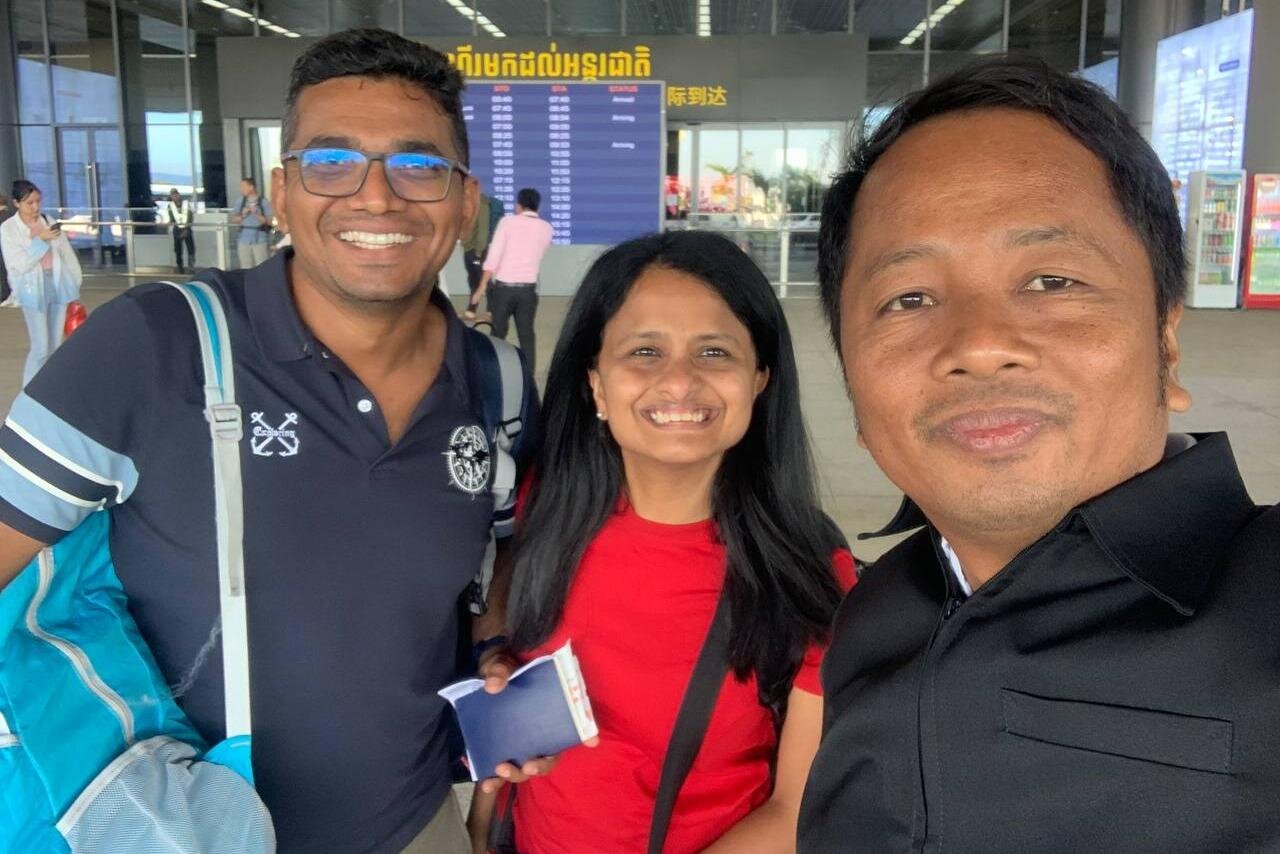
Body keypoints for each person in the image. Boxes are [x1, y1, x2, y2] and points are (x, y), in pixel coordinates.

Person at [0, 29, 539, 854]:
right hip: (185, 833)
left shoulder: (497, 381)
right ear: (282, 194)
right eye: (332, 162)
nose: (377, 197)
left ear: (466, 202)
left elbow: (498, 559)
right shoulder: (154, 346)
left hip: (417, 824)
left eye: (418, 165)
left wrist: (496, 645)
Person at [797, 56, 1280, 852]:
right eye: (909, 298)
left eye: (1052, 281)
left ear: (1166, 339)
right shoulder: (873, 614)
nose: (980, 344)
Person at [473, 230, 856, 853]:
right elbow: (505, 661)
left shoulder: (808, 569)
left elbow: (795, 811)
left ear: (759, 378)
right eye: (645, 351)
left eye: (714, 352)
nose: (679, 382)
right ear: (596, 383)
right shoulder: (540, 508)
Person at [0, 179, 81, 384]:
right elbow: (19, 264)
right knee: (41, 347)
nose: (35, 207)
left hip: (58, 284)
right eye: (30, 203)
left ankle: (48, 387)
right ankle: (29, 390)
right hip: (31, 290)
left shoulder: (47, 220)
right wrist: (40, 240)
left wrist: (75, 283)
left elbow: (66, 254)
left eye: (38, 201)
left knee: (54, 345)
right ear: (16, 203)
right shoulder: (9, 229)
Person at [466, 187, 552, 369]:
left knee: (498, 334)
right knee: (526, 335)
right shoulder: (546, 228)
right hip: (528, 291)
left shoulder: (507, 222)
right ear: (538, 207)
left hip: (503, 290)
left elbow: (493, 257)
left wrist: (481, 287)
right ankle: (528, 375)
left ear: (518, 206)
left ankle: (494, 371)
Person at [461, 191, 499, 302]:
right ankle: (472, 308)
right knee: (473, 280)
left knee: (484, 281)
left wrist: (479, 253)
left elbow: (483, 231)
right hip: (469, 249)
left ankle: (494, 308)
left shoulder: (482, 205)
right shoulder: (469, 205)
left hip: (478, 250)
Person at [231, 176, 272, 269]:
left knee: (262, 267)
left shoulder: (263, 202)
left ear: (251, 187)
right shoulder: (240, 201)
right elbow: (234, 219)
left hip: (260, 239)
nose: (241, 189)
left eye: (243, 186)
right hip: (243, 239)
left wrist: (256, 214)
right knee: (245, 267)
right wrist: (243, 215)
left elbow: (269, 222)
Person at [166, 187, 196, 273]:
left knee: (191, 249)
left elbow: (190, 216)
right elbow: (171, 218)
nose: (174, 196)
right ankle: (180, 268)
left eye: (176, 194)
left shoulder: (186, 204)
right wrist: (169, 222)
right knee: (178, 250)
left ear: (179, 195)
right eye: (173, 195)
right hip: (177, 229)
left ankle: (191, 268)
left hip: (187, 228)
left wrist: (187, 227)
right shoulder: (170, 206)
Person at [0, 190, 16, 306]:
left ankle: (6, 296)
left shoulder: (2, 217)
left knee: (4, 275)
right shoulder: (12, 215)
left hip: (3, 251)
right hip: (12, 251)